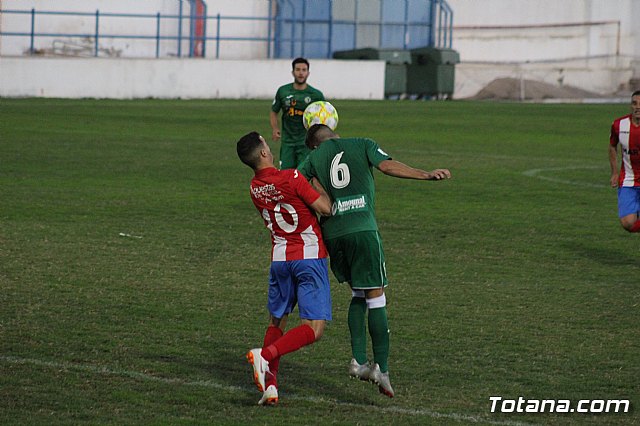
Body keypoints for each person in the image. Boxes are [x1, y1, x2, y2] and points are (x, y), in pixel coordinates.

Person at [298, 124, 451, 398]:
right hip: (362, 230)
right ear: (334, 133)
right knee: (376, 296)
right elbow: (388, 167)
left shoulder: (312, 159)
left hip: (333, 233)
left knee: (357, 291)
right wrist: (426, 174)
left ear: (313, 145)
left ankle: (358, 360)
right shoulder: (362, 143)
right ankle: (382, 367)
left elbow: (297, 184)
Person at [236, 131, 333, 406]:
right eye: (266, 142)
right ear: (264, 153)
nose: (270, 145)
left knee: (277, 321)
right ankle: (264, 357)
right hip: (308, 257)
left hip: (280, 259)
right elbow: (324, 208)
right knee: (314, 328)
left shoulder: (254, 188)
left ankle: (271, 386)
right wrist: (320, 185)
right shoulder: (291, 177)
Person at [270, 57, 325, 169]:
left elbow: (324, 116)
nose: (301, 73)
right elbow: (274, 111)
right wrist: (275, 128)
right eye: (298, 69)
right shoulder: (283, 91)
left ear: (308, 73)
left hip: (306, 143)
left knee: (302, 176)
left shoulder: (316, 95)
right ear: (293, 72)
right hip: (287, 143)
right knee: (285, 176)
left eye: (304, 70)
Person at [609, 90, 640, 232]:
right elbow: (612, 146)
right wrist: (614, 172)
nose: (637, 107)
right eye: (634, 103)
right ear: (630, 106)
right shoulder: (619, 125)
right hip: (628, 179)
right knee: (628, 223)